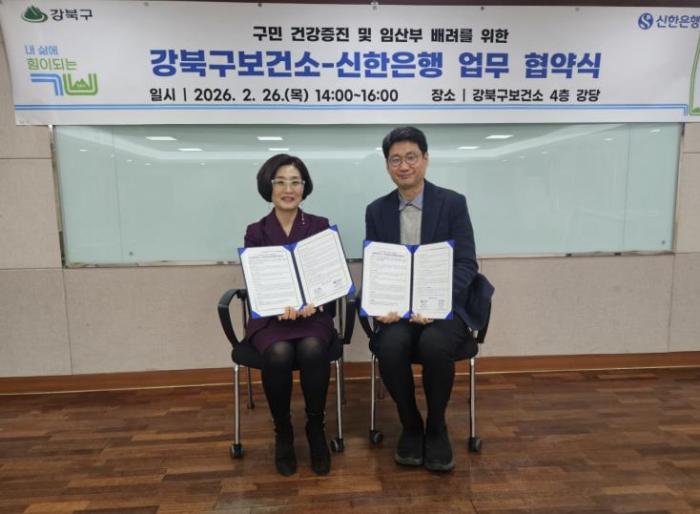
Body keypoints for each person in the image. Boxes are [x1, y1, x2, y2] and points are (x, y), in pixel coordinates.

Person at [365, 126, 492, 472]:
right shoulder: (376, 210)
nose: (404, 166)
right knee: (390, 346)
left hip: (443, 308)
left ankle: (436, 427)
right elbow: (377, 266)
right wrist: (382, 304)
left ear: (425, 159)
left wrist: (434, 300)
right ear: (387, 166)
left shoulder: (452, 203)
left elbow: (466, 263)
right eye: (395, 160)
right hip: (398, 311)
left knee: (435, 344)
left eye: (411, 157)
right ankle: (410, 424)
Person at [244, 154, 334, 476]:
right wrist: (277, 304)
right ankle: (283, 431)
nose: (288, 189)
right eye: (280, 182)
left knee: (312, 348)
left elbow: (327, 278)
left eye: (296, 182)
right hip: (271, 318)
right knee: (279, 352)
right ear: (268, 187)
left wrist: (316, 300)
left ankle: (315, 428)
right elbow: (258, 282)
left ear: (304, 187)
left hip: (313, 315)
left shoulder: (320, 226)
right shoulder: (256, 231)